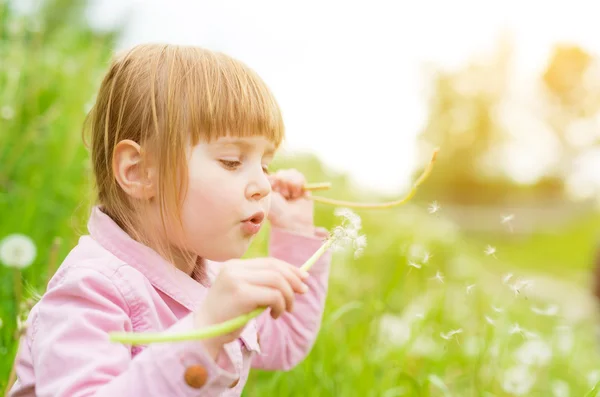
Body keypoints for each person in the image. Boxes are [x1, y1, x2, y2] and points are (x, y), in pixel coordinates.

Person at [8, 43, 332, 396]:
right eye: (231, 162)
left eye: (265, 165)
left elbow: (284, 340)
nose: (262, 186)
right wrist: (205, 329)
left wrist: (296, 233)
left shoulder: (214, 279)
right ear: (140, 172)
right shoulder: (92, 288)